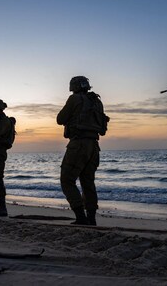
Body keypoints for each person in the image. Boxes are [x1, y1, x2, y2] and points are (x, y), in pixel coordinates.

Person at [57, 76, 109, 225]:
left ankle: (80, 217)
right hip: (93, 146)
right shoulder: (97, 101)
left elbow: (60, 119)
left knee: (67, 180)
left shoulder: (75, 99)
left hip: (78, 144)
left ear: (74, 86)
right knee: (88, 183)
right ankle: (91, 219)